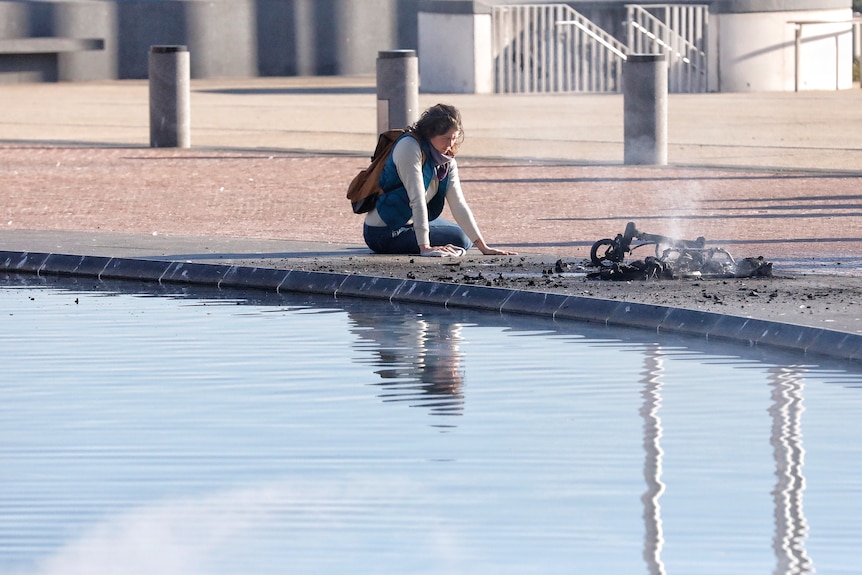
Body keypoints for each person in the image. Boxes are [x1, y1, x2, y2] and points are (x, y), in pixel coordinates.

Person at [363, 104, 517, 257]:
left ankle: (426, 239)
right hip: (384, 232)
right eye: (445, 138)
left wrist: (484, 247)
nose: (450, 144)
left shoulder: (446, 160)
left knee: (465, 237)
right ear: (430, 134)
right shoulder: (409, 147)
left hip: (409, 223)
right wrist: (425, 247)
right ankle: (421, 242)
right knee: (460, 239)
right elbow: (417, 199)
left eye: (454, 138)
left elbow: (458, 204)